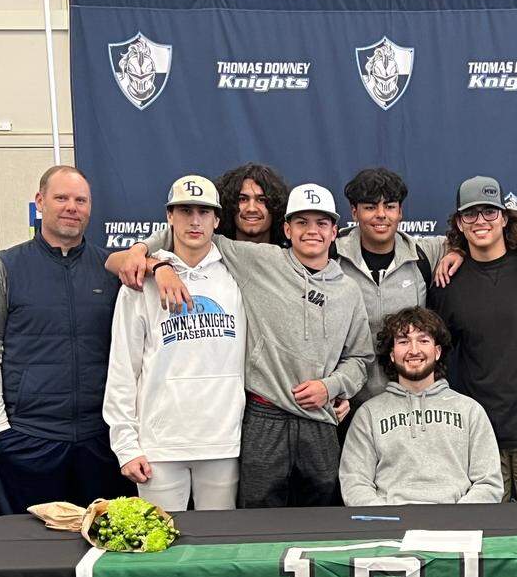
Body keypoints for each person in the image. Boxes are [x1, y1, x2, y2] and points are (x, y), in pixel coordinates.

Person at [108, 183, 372, 508]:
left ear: (336, 231)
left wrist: (332, 386)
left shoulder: (348, 290)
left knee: (320, 519)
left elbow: (361, 358)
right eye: (302, 222)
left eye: (321, 223)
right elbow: (191, 235)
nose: (312, 231)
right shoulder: (254, 261)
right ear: (286, 229)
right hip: (263, 417)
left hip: (316, 418)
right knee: (251, 528)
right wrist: (150, 259)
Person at [0, 165, 133, 518]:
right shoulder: (6, 268)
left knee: (103, 549)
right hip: (29, 439)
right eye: (61, 198)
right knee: (27, 551)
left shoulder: (110, 268)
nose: (72, 207)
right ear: (40, 202)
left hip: (99, 440)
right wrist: (0, 431)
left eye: (80, 200)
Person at [334, 166, 517, 407]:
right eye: (369, 207)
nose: (381, 215)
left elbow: (479, 233)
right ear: (354, 212)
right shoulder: (332, 256)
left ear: (400, 212)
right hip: (348, 400)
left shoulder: (425, 253)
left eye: (389, 206)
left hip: (410, 403)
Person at [103, 175, 244, 511]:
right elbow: (123, 367)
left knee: (217, 551)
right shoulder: (140, 284)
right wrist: (126, 444)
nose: (194, 221)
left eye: (204, 212)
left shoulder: (237, 276)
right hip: (159, 445)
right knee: (161, 554)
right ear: (169, 216)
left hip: (222, 442)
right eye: (184, 211)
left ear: (217, 220)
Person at [428, 176, 517, 502]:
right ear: (459, 224)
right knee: (487, 543)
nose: (481, 222)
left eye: (489, 212)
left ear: (504, 218)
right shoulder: (448, 282)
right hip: (479, 438)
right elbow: (436, 360)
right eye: (470, 214)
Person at [340, 307, 502, 505]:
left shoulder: (470, 411)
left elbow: (488, 483)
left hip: (455, 527)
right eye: (403, 341)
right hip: (391, 527)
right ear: (392, 354)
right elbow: (354, 483)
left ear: (437, 351)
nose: (414, 350)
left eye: (423, 340)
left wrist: (456, 520)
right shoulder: (368, 414)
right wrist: (387, 520)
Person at [214, 162, 289, 245]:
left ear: (277, 207)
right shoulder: (212, 255)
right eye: (243, 199)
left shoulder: (287, 257)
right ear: (228, 205)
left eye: (261, 200)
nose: (251, 209)